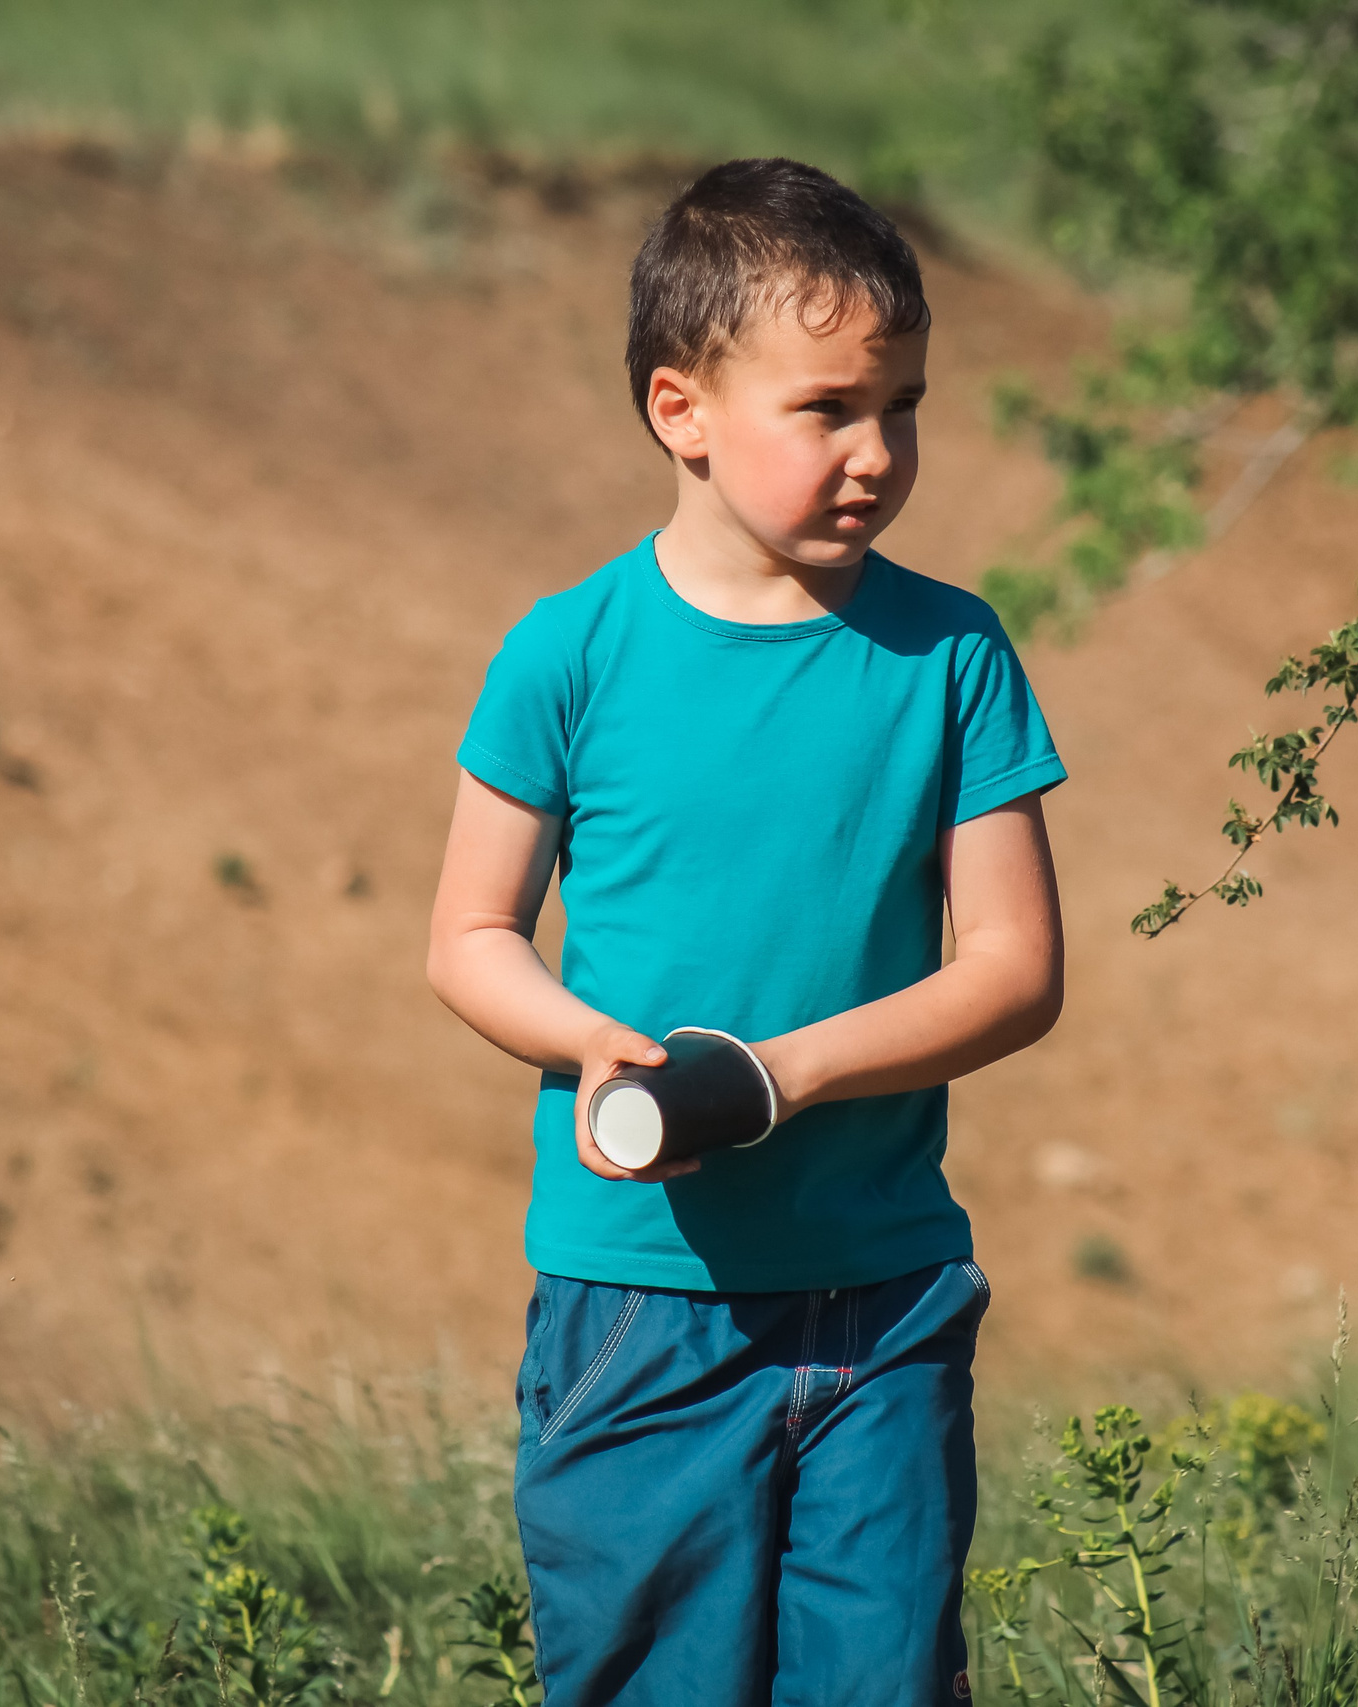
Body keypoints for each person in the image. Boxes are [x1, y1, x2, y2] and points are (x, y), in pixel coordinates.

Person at [426, 156, 1066, 1707]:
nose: (879, 452)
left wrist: (775, 1074)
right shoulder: (567, 654)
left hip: (889, 1292)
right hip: (636, 1307)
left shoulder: (951, 654)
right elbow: (468, 936)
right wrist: (593, 1045)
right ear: (681, 411)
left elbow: (1015, 973)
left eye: (902, 404)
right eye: (827, 409)